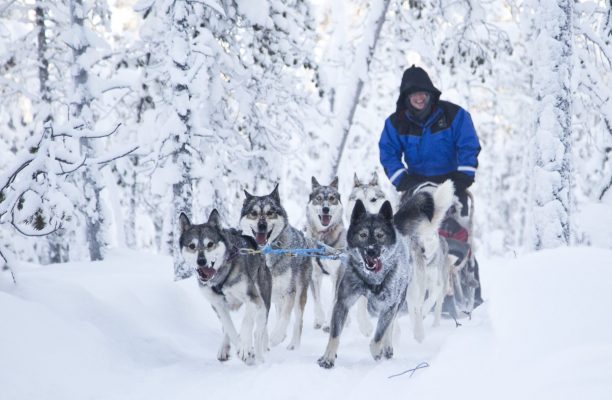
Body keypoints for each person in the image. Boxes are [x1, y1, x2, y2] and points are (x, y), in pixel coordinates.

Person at [378, 65, 481, 216]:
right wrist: (403, 180)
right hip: (416, 184)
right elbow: (388, 152)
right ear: (406, 97)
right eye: (414, 94)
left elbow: (469, 145)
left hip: (451, 183)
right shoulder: (396, 123)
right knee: (409, 231)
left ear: (430, 93)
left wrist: (463, 177)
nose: (419, 98)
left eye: (422, 93)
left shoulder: (454, 115)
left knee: (456, 231)